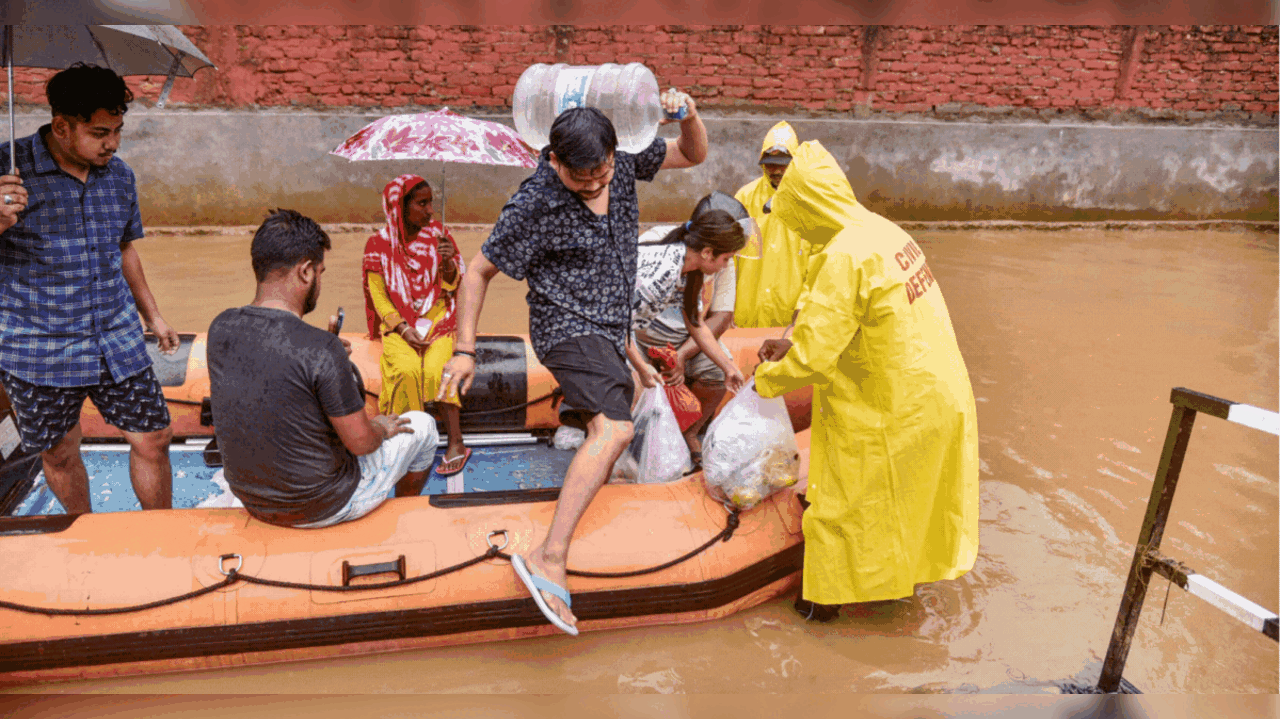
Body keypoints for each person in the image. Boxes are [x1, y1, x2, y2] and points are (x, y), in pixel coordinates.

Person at [439, 90, 708, 636]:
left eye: (600, 173)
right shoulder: (535, 202)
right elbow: (478, 271)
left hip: (610, 327)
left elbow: (691, 153)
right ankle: (550, 555)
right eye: (578, 177)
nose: (592, 184)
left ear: (613, 154)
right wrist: (464, 350)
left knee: (626, 404)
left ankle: (589, 464)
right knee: (615, 428)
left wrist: (690, 115)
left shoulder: (624, 161)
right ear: (554, 160)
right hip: (564, 325)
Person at [752, 140, 980, 620]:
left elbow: (813, 361)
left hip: (890, 407)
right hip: (935, 393)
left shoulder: (842, 256)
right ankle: (894, 596)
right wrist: (794, 347)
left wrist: (763, 382)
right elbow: (863, 319)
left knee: (839, 507)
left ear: (806, 208)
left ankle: (820, 608)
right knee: (904, 504)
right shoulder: (880, 229)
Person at [0, 63, 177, 514]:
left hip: (115, 336)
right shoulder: (7, 170)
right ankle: (84, 532)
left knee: (155, 438)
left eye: (117, 131)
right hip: (38, 346)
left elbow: (124, 249)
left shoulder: (119, 176)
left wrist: (153, 316)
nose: (112, 143)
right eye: (100, 133)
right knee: (59, 453)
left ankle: (161, 532)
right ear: (62, 126)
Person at [207, 209, 438, 528]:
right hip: (322, 506)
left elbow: (276, 377)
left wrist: (329, 357)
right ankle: (403, 512)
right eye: (320, 272)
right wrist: (381, 427)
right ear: (305, 272)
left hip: (252, 500)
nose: (320, 281)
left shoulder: (221, 327)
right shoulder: (321, 349)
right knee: (424, 426)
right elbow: (361, 443)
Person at [630, 191, 755, 464]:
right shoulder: (664, 270)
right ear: (708, 252)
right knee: (633, 395)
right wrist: (641, 368)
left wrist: (728, 367)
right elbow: (618, 326)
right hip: (619, 334)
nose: (726, 266)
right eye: (725, 259)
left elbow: (696, 323)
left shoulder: (691, 270)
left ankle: (681, 436)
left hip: (657, 338)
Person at [363, 174, 470, 477]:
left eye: (431, 203)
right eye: (422, 204)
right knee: (406, 371)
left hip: (437, 318)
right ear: (399, 207)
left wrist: (448, 262)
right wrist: (403, 329)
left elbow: (453, 284)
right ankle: (410, 444)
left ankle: (456, 441)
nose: (430, 210)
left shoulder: (440, 237)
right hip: (399, 324)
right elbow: (379, 297)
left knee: (439, 370)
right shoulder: (378, 244)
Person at [733, 120, 814, 330]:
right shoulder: (745, 198)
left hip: (791, 320)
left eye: (783, 165)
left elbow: (819, 264)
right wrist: (724, 308)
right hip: (747, 316)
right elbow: (729, 259)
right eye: (770, 164)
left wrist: (803, 306)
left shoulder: (810, 203)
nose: (776, 171)